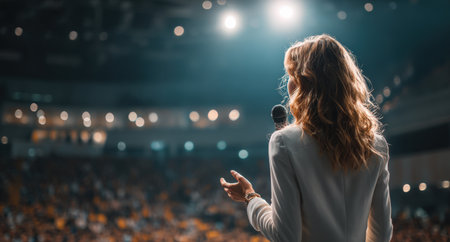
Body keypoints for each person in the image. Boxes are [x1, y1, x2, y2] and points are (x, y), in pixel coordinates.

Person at [219, 34, 393, 242]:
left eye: (291, 76)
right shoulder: (376, 144)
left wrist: (251, 198)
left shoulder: (284, 142)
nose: (288, 85)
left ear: (305, 83)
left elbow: (285, 236)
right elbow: (382, 235)